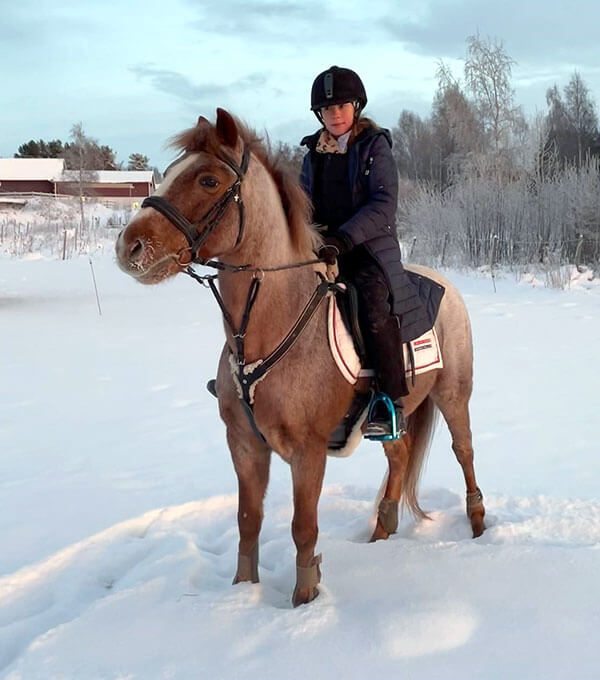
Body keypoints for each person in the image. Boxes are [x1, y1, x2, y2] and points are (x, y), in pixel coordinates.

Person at [300, 66, 428, 438]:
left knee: (373, 303)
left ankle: (389, 399)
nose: (335, 114)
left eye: (342, 106)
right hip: (323, 248)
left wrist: (344, 238)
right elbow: (302, 204)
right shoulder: (313, 155)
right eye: (327, 109)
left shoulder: (375, 147)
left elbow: (383, 204)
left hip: (369, 249)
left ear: (356, 107)